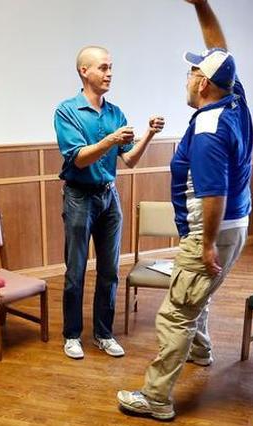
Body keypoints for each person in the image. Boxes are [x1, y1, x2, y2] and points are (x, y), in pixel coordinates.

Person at [117, 0, 253, 420]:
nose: (188, 75)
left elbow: (215, 192)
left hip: (214, 229)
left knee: (176, 311)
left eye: (193, 71)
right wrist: (201, 6)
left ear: (203, 86)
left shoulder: (211, 129)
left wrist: (206, 244)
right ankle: (202, 350)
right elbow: (220, 52)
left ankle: (156, 398)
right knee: (198, 295)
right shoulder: (233, 99)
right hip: (234, 226)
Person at [54, 44, 165, 360]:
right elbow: (78, 159)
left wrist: (149, 134)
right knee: (75, 270)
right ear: (84, 71)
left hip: (109, 197)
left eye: (111, 67)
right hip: (79, 196)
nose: (109, 73)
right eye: (103, 67)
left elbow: (127, 160)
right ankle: (72, 335)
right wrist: (110, 140)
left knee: (110, 270)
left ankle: (104, 334)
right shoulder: (67, 111)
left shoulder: (116, 112)